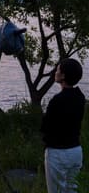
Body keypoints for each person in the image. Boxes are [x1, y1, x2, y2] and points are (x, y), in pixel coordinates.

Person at [41, 58, 86, 193]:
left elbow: (45, 127)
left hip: (57, 153)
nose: (55, 72)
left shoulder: (57, 100)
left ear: (63, 76)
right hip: (76, 151)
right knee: (72, 189)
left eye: (58, 69)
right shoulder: (80, 97)